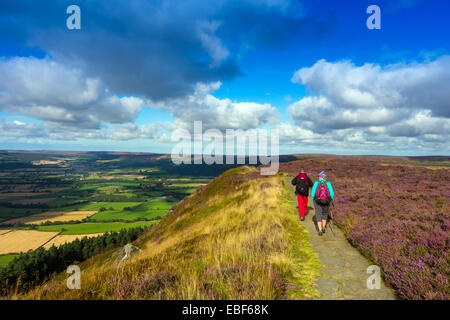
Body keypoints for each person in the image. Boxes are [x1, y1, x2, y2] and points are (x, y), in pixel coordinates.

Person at [311, 171, 334, 236]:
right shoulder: (328, 183)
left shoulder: (316, 183)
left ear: (320, 177)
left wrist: (313, 200)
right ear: (325, 177)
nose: (318, 177)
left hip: (317, 201)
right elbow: (332, 193)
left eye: (318, 176)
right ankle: (323, 227)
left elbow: (313, 193)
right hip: (327, 201)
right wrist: (330, 200)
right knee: (325, 214)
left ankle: (320, 230)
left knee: (318, 214)